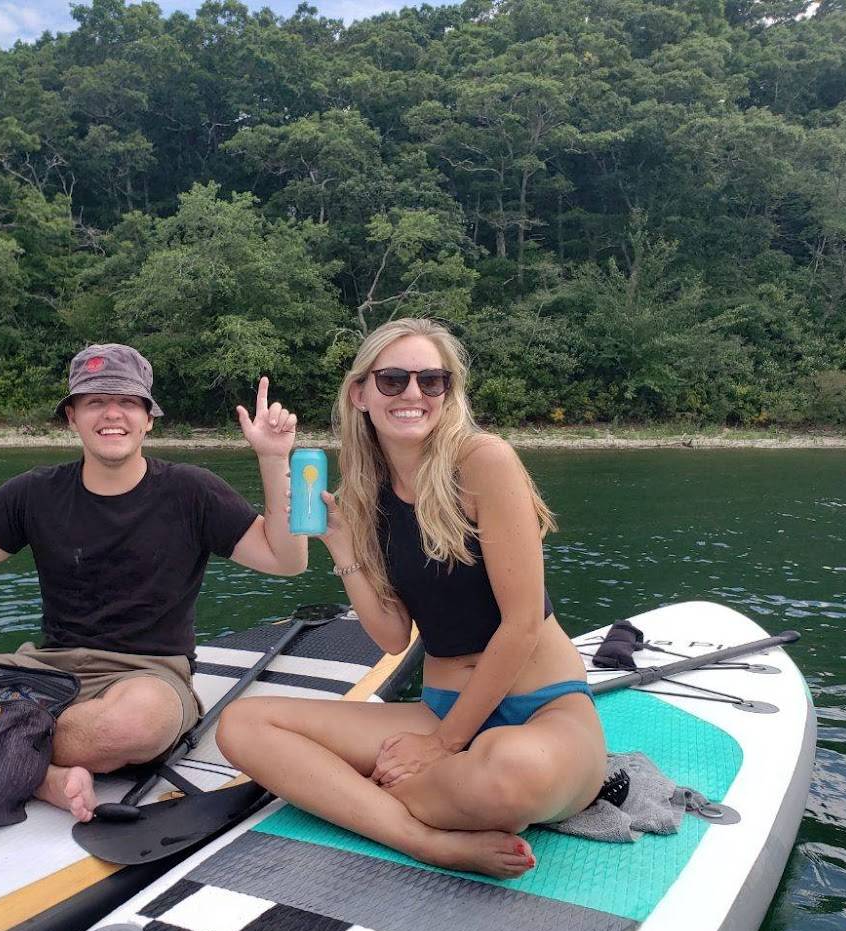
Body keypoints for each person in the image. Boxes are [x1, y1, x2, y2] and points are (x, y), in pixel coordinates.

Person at [216, 318, 607, 879]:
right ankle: (422, 838)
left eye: (432, 380)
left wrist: (443, 745)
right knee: (242, 726)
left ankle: (354, 795)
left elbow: (522, 623)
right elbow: (393, 636)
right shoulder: (366, 493)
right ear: (361, 393)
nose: (413, 394)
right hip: (438, 709)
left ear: (449, 391)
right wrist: (344, 546)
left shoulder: (484, 461)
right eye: (393, 379)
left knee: (508, 776)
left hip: (542, 708)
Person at [0, 343, 306, 821]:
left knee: (138, 722)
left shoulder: (191, 491)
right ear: (72, 416)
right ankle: (42, 778)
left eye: (127, 402)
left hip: (145, 676)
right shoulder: (34, 493)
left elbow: (285, 559)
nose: (112, 414)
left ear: (148, 419)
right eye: (95, 402)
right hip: (41, 675)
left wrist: (274, 459)